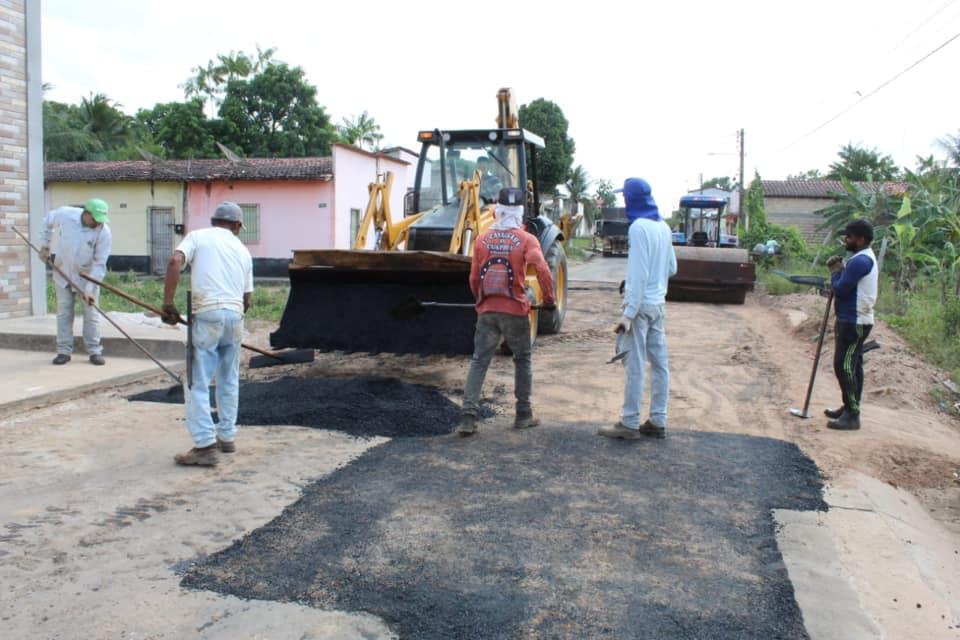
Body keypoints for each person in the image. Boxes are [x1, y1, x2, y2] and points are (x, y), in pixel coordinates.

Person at [457, 187, 556, 437]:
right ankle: (523, 414)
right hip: (515, 310)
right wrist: (549, 300)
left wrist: (481, 300)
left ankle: (468, 418)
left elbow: (473, 277)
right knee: (522, 359)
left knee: (479, 361)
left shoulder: (481, 239)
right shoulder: (526, 240)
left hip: (488, 310)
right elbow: (543, 271)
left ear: (497, 211)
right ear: (521, 212)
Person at [161, 202, 253, 466]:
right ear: (236, 225)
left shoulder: (198, 237)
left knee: (197, 381)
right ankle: (227, 436)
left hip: (207, 312)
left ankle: (204, 445)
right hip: (235, 317)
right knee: (228, 378)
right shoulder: (242, 250)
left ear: (215, 221)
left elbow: (175, 260)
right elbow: (247, 298)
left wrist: (167, 303)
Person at [598, 177, 677, 440]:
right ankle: (658, 420)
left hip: (640, 307)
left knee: (635, 365)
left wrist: (628, 314)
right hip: (658, 305)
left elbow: (639, 274)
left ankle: (629, 423)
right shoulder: (663, 227)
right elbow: (672, 268)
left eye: (625, 197)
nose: (623, 201)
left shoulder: (638, 228)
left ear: (631, 199)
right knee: (659, 364)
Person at [40, 198, 112, 366]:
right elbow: (47, 222)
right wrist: (45, 245)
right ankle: (64, 351)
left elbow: (100, 263)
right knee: (64, 312)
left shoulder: (104, 232)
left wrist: (90, 288)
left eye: (100, 220)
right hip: (63, 270)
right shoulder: (65, 214)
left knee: (91, 313)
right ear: (86, 214)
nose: (97, 223)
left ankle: (94, 351)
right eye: (94, 219)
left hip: (87, 276)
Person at [824, 219, 878, 431]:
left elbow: (841, 289)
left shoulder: (860, 261)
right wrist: (839, 272)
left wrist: (836, 272)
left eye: (849, 237)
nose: (846, 240)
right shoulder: (860, 258)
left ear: (861, 239)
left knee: (843, 365)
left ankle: (852, 414)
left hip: (854, 321)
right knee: (853, 365)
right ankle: (849, 407)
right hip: (854, 319)